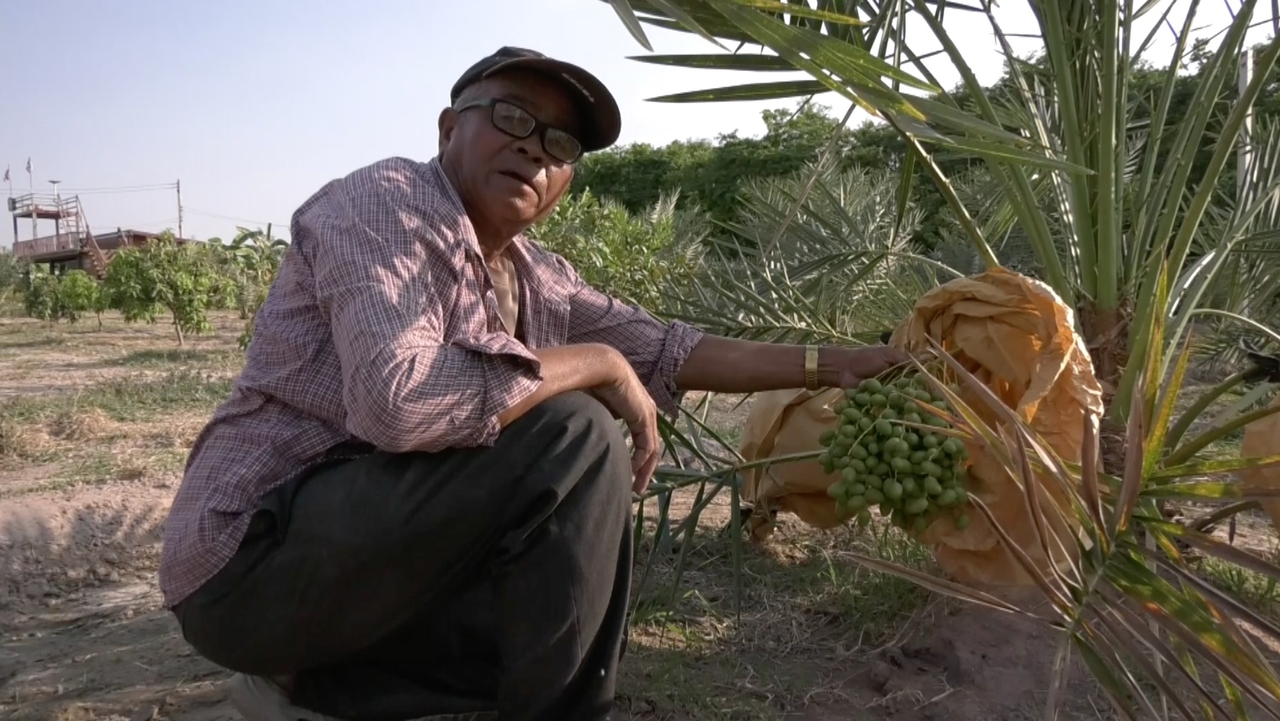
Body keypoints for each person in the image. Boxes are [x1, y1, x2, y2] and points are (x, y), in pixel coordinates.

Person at [158, 46, 909, 721]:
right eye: (511, 116)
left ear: (564, 183)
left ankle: (311, 687)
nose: (532, 144)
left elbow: (670, 349)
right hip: (249, 562)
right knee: (573, 431)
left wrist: (833, 363)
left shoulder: (536, 275)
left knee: (547, 622)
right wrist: (597, 364)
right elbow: (400, 402)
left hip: (356, 570)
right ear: (450, 128)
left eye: (559, 141)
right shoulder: (382, 204)